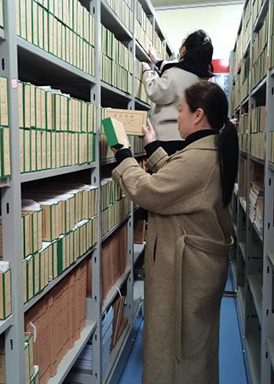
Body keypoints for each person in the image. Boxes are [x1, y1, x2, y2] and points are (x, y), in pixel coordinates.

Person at [111, 81, 238, 384]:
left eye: (181, 110)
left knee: (180, 348)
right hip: (196, 266)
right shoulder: (206, 149)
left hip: (188, 271)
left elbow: (150, 191)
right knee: (191, 343)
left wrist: (124, 154)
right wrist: (153, 146)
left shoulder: (198, 158)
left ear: (198, 115)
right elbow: (178, 176)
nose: (177, 117)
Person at [141, 29, 215, 155]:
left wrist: (147, 72)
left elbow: (154, 91)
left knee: (162, 165)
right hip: (190, 137)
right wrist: (156, 60)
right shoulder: (204, 80)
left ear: (184, 50)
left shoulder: (174, 74)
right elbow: (172, 66)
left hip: (166, 137)